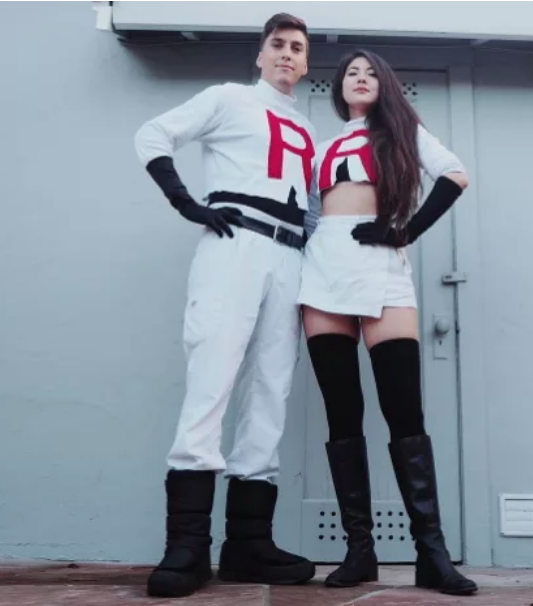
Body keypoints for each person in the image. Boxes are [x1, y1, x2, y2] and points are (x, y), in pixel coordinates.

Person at [134, 13, 318, 598]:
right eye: (277, 44)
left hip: (291, 254)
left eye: (297, 48)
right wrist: (187, 203)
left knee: (271, 389)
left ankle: (247, 543)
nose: (286, 53)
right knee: (212, 378)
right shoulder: (229, 98)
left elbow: (312, 203)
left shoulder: (308, 128)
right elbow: (153, 135)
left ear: (306, 63)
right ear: (260, 54)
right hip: (235, 244)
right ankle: (187, 548)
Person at [297, 50, 478, 596]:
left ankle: (431, 554)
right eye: (351, 72)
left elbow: (455, 176)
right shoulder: (321, 148)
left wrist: (406, 231)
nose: (360, 78)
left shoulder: (402, 133)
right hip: (322, 270)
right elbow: (306, 214)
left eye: (371, 72)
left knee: (404, 412)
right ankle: (361, 551)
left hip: (381, 268)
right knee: (342, 412)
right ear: (339, 87)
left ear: (386, 85)